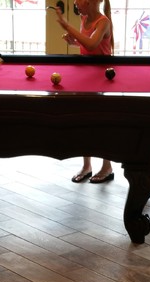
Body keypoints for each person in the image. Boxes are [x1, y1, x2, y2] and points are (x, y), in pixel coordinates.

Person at [52, 0, 115, 184]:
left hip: (102, 78)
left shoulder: (104, 22)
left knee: (102, 124)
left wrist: (66, 25)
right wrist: (73, 41)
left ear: (90, 1)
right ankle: (87, 166)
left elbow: (92, 44)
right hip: (85, 76)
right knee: (84, 121)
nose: (75, 2)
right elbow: (83, 45)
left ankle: (107, 166)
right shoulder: (84, 18)